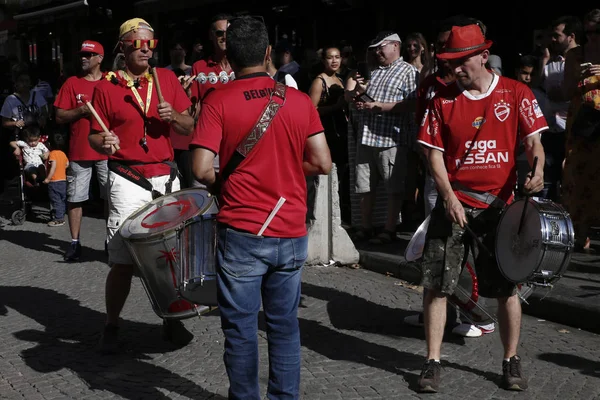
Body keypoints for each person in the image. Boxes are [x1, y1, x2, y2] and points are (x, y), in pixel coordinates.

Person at [190, 16, 332, 399]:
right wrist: (285, 164)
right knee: (284, 326)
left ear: (228, 58)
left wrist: (229, 180)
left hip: (242, 231)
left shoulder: (216, 101)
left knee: (239, 330)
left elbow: (201, 169)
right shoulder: (300, 101)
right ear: (268, 53)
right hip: (289, 229)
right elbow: (322, 163)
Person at [416, 24, 547, 393]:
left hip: (499, 208)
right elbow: (434, 155)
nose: (456, 68)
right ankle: (432, 361)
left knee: (507, 288)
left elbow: (534, 142)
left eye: (462, 61)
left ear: (483, 56)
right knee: (437, 285)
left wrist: (537, 169)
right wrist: (448, 196)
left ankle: (510, 359)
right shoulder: (440, 99)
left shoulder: (516, 92)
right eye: (450, 62)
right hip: (454, 199)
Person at [88, 18, 194, 354]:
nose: (146, 48)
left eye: (151, 42)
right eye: (138, 42)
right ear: (123, 46)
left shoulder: (166, 79)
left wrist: (173, 117)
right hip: (127, 177)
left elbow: (190, 123)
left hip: (165, 175)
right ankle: (112, 324)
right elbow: (93, 135)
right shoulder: (106, 87)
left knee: (169, 256)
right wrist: (102, 142)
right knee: (122, 257)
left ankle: (171, 317)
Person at [54, 40, 108, 261]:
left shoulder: (111, 81)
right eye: (82, 55)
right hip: (80, 150)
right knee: (75, 198)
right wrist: (82, 110)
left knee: (110, 198)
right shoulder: (72, 83)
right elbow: (59, 116)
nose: (84, 58)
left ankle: (110, 242)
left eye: (89, 54)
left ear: (100, 58)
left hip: (107, 150)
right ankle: (75, 243)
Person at [44, 133, 69, 227]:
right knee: (62, 200)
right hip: (63, 180)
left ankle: (58, 219)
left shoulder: (52, 154)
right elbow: (67, 164)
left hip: (54, 181)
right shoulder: (63, 154)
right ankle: (61, 216)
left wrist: (48, 178)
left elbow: (53, 166)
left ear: (49, 144)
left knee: (56, 200)